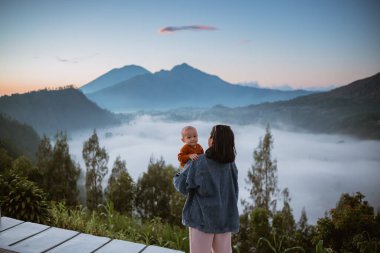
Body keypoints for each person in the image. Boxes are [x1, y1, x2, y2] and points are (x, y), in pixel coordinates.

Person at [173, 125, 239, 253]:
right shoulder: (231, 165)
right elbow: (234, 191)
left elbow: (182, 186)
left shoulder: (198, 162)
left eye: (210, 135)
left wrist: (180, 172)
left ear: (213, 141)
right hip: (225, 220)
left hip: (202, 220)